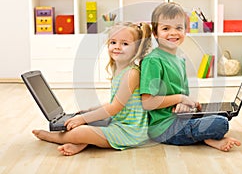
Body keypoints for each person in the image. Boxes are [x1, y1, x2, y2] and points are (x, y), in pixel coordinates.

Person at [32, 22, 152, 156]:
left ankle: (52, 137)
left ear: (137, 49)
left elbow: (115, 107)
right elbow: (118, 102)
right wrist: (91, 111)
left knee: (81, 131)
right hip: (117, 122)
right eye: (113, 42)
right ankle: (82, 143)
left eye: (124, 44)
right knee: (92, 122)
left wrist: (83, 118)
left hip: (130, 131)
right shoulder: (118, 68)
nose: (117, 47)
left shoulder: (131, 73)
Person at [140, 2, 241, 152]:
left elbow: (180, 95)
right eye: (166, 28)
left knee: (219, 114)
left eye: (179, 28)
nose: (173, 33)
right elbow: (147, 103)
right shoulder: (153, 61)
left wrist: (187, 104)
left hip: (180, 117)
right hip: (164, 127)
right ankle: (206, 137)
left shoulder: (179, 60)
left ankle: (205, 136)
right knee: (221, 123)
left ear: (185, 31)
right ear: (155, 33)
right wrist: (180, 98)